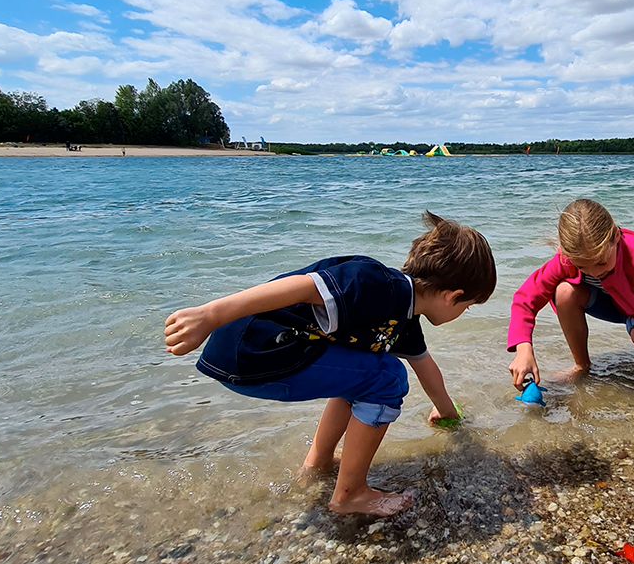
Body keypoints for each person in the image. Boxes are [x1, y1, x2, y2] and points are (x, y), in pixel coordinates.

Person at [165, 212, 496, 517]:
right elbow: (303, 287)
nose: (461, 314)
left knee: (365, 371)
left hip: (254, 355)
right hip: (255, 351)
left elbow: (425, 366)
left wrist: (449, 414)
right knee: (388, 377)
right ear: (453, 296)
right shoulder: (377, 284)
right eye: (466, 307)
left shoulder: (404, 316)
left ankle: (317, 465)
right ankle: (350, 495)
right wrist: (210, 314)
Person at [507, 199, 634, 389]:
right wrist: (524, 349)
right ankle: (582, 366)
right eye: (582, 266)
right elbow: (525, 298)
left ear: (616, 236)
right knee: (564, 292)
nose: (594, 272)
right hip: (609, 304)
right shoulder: (566, 260)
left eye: (601, 262)